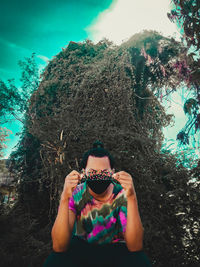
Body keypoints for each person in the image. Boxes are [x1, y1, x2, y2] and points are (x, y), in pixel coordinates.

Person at [43, 140, 152, 267]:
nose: (98, 176)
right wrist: (64, 197)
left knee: (140, 261)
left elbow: (135, 247)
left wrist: (132, 197)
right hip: (82, 250)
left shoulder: (122, 193)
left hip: (116, 251)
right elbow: (59, 247)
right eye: (93, 172)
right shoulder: (76, 192)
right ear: (83, 173)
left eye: (104, 172)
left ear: (113, 172)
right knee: (55, 261)